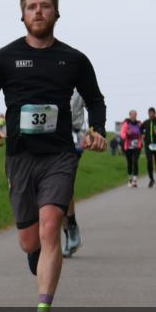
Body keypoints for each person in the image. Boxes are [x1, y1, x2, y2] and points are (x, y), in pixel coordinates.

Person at [0, 0, 106, 312]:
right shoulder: (6, 57)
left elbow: (95, 99)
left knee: (50, 229)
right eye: (31, 6)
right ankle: (37, 257)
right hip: (19, 157)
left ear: (56, 13)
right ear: (22, 15)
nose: (38, 12)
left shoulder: (73, 59)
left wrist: (96, 130)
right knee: (29, 240)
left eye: (45, 6)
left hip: (59, 156)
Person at [61, 90, 86, 257]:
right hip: (49, 136)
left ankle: (71, 226)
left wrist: (95, 130)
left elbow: (94, 102)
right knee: (55, 192)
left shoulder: (80, 85)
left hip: (73, 136)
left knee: (64, 186)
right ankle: (68, 233)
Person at [120, 111, 142, 187]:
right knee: (129, 163)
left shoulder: (139, 124)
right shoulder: (126, 124)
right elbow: (122, 134)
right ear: (129, 115)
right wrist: (127, 134)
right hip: (128, 146)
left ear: (136, 115)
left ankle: (135, 180)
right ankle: (130, 179)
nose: (133, 116)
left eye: (134, 115)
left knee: (135, 162)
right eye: (132, 115)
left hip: (137, 146)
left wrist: (142, 135)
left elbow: (143, 132)